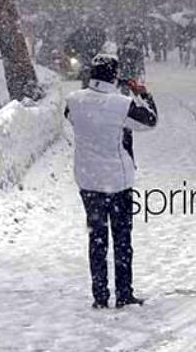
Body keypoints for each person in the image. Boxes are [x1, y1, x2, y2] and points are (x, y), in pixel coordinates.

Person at [65, 54, 158, 308]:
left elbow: (70, 117)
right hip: (117, 181)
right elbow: (150, 122)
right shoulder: (122, 104)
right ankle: (124, 293)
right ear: (115, 76)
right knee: (122, 239)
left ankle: (100, 295)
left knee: (97, 239)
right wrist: (143, 94)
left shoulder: (73, 101)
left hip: (88, 180)